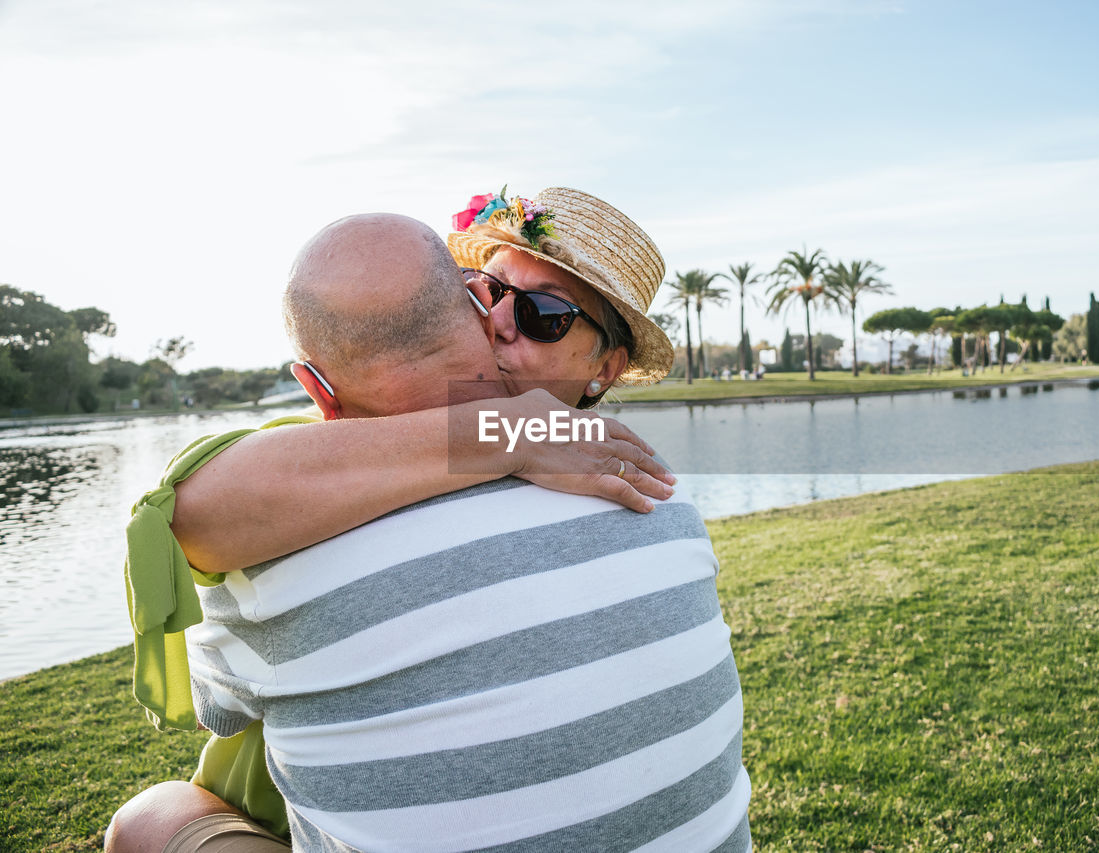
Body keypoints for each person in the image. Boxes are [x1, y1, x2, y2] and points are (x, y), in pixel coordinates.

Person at [110, 191, 750, 851]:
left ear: (604, 369)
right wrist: (506, 432)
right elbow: (199, 503)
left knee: (153, 817)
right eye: (491, 290)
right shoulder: (665, 503)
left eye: (544, 316)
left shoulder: (638, 483)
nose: (501, 321)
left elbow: (195, 520)